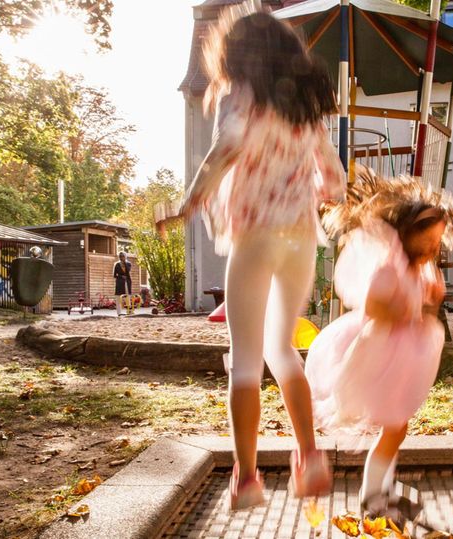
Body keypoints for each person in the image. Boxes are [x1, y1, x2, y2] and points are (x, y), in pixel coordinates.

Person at [178, 12, 345, 511]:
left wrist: (191, 200)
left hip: (254, 237)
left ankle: (247, 478)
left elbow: (225, 145)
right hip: (299, 241)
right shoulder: (306, 109)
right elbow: (333, 182)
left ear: (238, 55)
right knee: (283, 349)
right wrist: (306, 191)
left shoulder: (240, 92)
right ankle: (311, 457)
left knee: (246, 363)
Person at [306, 168, 453, 519]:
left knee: (396, 429)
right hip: (378, 357)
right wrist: (408, 310)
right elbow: (376, 308)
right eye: (428, 242)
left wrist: (429, 301)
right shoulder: (389, 267)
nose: (433, 249)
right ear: (407, 234)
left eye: (437, 243)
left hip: (398, 361)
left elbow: (415, 306)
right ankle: (374, 499)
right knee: (395, 428)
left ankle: (379, 494)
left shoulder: (417, 268)